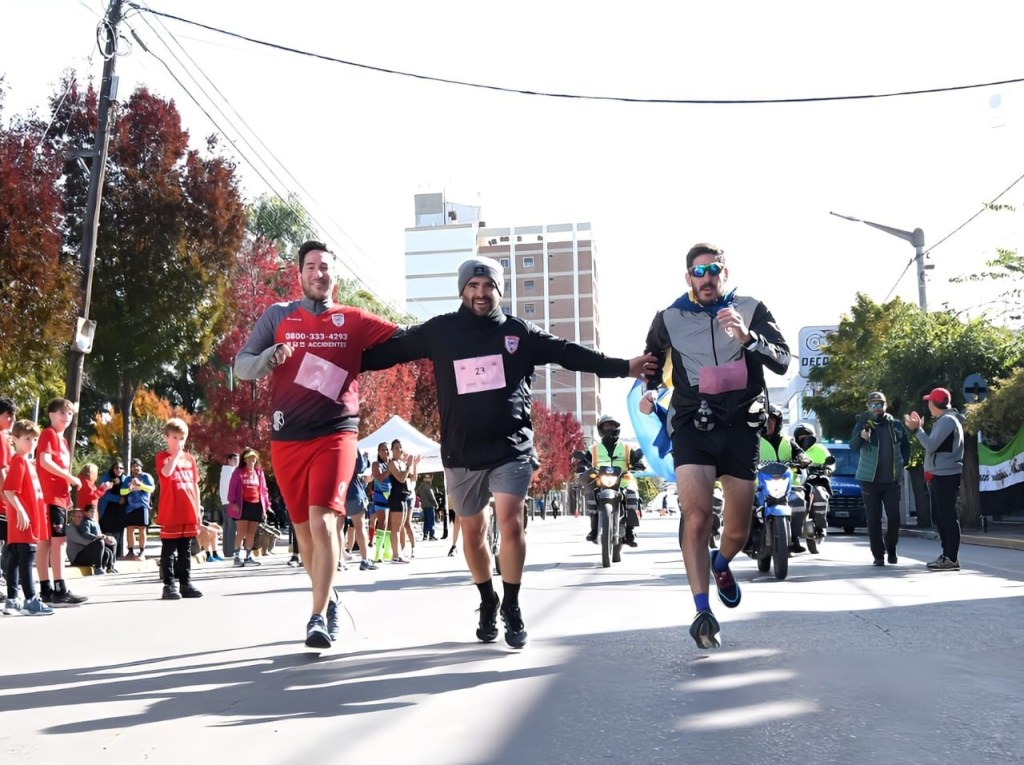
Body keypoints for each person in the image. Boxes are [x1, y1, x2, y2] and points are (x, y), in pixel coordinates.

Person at [362, 255, 656, 649]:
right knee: (472, 530)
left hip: (511, 448)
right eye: (473, 286)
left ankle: (513, 606)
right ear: (463, 290)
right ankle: (488, 600)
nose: (481, 294)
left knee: (511, 522)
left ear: (499, 290)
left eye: (488, 287)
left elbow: (570, 353)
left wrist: (624, 367)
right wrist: (341, 360)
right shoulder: (441, 331)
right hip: (461, 451)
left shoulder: (519, 333)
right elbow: (390, 351)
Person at [234, 240, 398, 649]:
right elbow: (241, 367)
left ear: (334, 275)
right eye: (311, 266)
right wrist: (271, 355)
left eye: (325, 267)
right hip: (288, 438)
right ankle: (331, 597)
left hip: (336, 434)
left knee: (325, 522)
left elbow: (403, 340)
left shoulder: (351, 318)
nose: (318, 273)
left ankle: (317, 615)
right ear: (300, 273)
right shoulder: (278, 316)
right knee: (304, 534)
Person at [639, 243, 790, 649]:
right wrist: (650, 391)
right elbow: (651, 362)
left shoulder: (752, 307)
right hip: (692, 423)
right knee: (698, 514)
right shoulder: (669, 317)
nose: (705, 278)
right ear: (688, 277)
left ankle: (721, 563)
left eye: (712, 269)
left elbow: (782, 360)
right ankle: (702, 609)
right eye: (697, 271)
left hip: (741, 425)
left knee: (738, 530)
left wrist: (747, 337)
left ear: (725, 272)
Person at [905, 387, 965, 571]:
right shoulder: (945, 420)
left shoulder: (947, 420)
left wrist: (917, 430)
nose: (928, 405)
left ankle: (950, 557)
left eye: (929, 402)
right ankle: (947, 556)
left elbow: (930, 445)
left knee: (946, 517)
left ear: (934, 403)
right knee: (941, 517)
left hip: (945, 476)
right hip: (941, 474)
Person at [850, 391, 911, 567]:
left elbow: (906, 446)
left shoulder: (896, 425)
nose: (877, 408)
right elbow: (853, 445)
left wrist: (902, 463)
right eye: (873, 405)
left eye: (880, 404)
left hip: (891, 480)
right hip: (869, 480)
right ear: (868, 406)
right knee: (873, 519)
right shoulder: (863, 423)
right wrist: (861, 437)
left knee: (893, 517)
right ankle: (878, 555)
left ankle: (891, 547)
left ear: (885, 405)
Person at [35, 398, 86, 606]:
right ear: (51, 415)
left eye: (70, 414)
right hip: (50, 496)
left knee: (47, 543)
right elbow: (44, 461)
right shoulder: (48, 434)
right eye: (62, 413)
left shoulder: (63, 441)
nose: (66, 417)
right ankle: (59, 588)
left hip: (59, 496)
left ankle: (46, 589)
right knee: (57, 542)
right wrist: (70, 477)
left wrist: (67, 485)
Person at [2, 419, 53, 615]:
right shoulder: (19, 460)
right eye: (27, 439)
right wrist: (22, 511)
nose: (31, 443)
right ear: (15, 439)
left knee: (15, 557)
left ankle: (13, 599)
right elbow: (9, 490)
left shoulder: (25, 462)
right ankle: (31, 599)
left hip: (25, 519)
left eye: (34, 439)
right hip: (24, 520)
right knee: (26, 557)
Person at [156, 418, 204, 600]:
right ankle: (169, 585)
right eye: (175, 438)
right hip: (171, 511)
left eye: (182, 438)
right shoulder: (163, 457)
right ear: (167, 438)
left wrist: (198, 509)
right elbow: (166, 473)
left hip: (188, 510)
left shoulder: (190, 459)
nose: (178, 442)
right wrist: (176, 455)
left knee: (185, 550)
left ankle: (186, 583)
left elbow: (195, 485)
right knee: (169, 550)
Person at [585, 414, 645, 547]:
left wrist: (638, 463)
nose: (609, 428)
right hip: (601, 482)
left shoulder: (627, 448)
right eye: (606, 425)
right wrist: (581, 465)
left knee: (632, 495)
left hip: (624, 480)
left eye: (612, 425)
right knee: (590, 494)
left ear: (617, 428)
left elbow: (636, 459)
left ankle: (630, 531)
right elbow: (585, 460)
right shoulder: (593, 449)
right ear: (601, 428)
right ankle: (594, 529)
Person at [758, 405, 809, 553]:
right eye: (765, 420)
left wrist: (803, 458)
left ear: (778, 422)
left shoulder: (788, 440)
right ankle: (745, 539)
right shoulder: (753, 440)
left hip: (786, 484)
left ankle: (794, 538)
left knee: (799, 501)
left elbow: (800, 453)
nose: (768, 423)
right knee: (745, 505)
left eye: (771, 420)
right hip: (760, 485)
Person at [792, 423, 834, 551]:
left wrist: (828, 468)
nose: (804, 439)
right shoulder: (793, 447)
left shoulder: (820, 449)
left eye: (807, 436)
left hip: (816, 480)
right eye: (801, 436)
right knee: (792, 503)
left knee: (820, 496)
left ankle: (820, 527)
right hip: (796, 482)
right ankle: (793, 538)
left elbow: (830, 461)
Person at [227, 447, 270, 567]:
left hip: (256, 505)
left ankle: (248, 556)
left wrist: (266, 506)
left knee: (251, 532)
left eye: (254, 459)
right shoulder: (238, 472)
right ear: (245, 460)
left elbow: (264, 490)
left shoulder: (259, 473)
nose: (252, 462)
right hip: (242, 505)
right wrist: (233, 502)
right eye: (250, 459)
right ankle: (236, 556)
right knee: (241, 531)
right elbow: (232, 488)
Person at [386, 439, 418, 564]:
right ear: (392, 450)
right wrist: (408, 466)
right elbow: (400, 478)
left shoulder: (402, 463)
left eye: (400, 447)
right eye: (396, 448)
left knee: (401, 527)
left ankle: (400, 552)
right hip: (396, 497)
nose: (399, 450)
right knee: (396, 528)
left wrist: (413, 465)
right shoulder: (392, 463)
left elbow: (411, 479)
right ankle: (395, 555)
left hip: (405, 497)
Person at [344, 449, 376, 570]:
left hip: (337, 491)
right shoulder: (349, 441)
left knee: (338, 528)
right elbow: (360, 467)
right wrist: (365, 459)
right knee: (360, 526)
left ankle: (338, 560)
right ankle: (364, 560)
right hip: (353, 491)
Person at [67, 505, 117, 574]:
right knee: (100, 542)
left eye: (82, 517)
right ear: (72, 518)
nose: (81, 519)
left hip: (83, 553)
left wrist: (106, 540)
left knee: (106, 552)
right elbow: (84, 541)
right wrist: (103, 538)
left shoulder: (79, 527)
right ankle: (98, 568)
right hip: (76, 558)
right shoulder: (70, 528)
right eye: (78, 517)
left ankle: (109, 567)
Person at [121, 458, 155, 559]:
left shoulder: (146, 476)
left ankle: (142, 551)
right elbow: (122, 492)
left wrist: (140, 484)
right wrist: (129, 488)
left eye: (137, 466)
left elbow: (151, 489)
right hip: (130, 507)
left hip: (143, 506)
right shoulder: (128, 479)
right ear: (131, 468)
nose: (136, 468)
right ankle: (130, 551)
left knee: (142, 529)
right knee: (130, 529)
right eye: (133, 466)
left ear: (141, 466)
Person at [98, 459, 127, 559]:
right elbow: (102, 493)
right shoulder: (107, 477)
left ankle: (116, 556)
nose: (119, 469)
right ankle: (105, 555)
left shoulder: (125, 479)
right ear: (112, 468)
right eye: (116, 467)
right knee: (107, 530)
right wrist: (118, 499)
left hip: (120, 511)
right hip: (107, 510)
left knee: (118, 532)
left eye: (121, 468)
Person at [218, 452, 239, 555]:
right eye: (234, 459)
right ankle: (231, 551)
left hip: (224, 501)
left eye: (237, 459)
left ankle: (226, 551)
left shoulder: (224, 471)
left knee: (226, 526)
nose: (237, 461)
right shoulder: (232, 471)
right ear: (229, 460)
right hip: (231, 502)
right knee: (232, 527)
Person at [417, 475, 438, 541]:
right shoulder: (428, 487)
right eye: (429, 478)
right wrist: (436, 504)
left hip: (424, 505)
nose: (431, 479)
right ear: (425, 479)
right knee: (431, 521)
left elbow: (417, 493)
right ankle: (431, 535)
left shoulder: (420, 487)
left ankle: (425, 535)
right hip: (430, 505)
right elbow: (431, 496)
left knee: (426, 521)